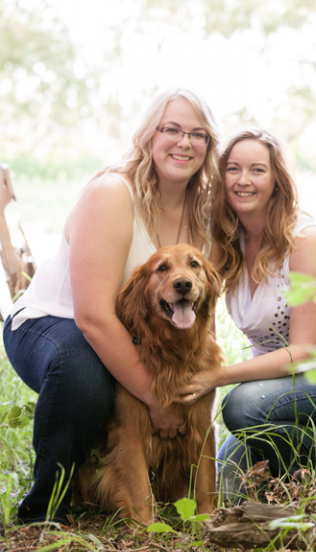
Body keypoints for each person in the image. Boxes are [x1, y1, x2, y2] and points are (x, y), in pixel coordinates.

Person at [2, 87, 222, 525]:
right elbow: (93, 318)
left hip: (136, 332)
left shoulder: (205, 209)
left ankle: (117, 487)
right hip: (54, 323)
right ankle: (45, 508)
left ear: (209, 146)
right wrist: (156, 401)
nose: (185, 142)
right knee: (86, 373)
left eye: (198, 134)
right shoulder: (113, 193)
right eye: (171, 129)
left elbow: (202, 305)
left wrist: (197, 384)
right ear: (148, 136)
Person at [174, 127, 316, 493]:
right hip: (282, 389)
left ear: (277, 180)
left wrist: (217, 376)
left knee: (242, 408)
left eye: (257, 170)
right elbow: (199, 312)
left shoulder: (306, 241)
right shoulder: (227, 244)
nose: (243, 180)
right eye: (233, 169)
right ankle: (294, 470)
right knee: (227, 488)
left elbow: (303, 353)